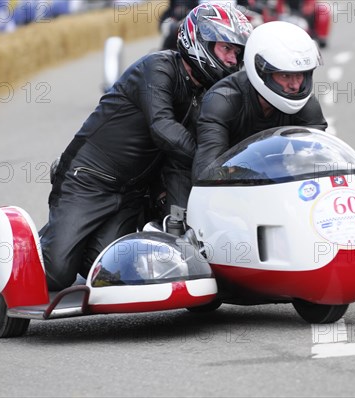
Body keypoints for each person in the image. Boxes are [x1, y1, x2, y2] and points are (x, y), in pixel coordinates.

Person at [40, 3, 253, 291]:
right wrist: (213, 163)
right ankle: (29, 242)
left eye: (236, 53)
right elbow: (162, 129)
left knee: (107, 274)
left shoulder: (207, 92)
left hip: (130, 194)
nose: (232, 59)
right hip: (88, 178)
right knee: (56, 273)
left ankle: (69, 236)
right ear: (200, 40)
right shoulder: (157, 67)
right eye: (226, 49)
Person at [192, 20, 327, 180]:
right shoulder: (223, 100)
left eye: (300, 75)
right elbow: (206, 175)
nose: (295, 85)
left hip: (282, 185)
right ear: (262, 72)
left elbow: (318, 162)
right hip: (232, 189)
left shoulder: (307, 105)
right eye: (285, 75)